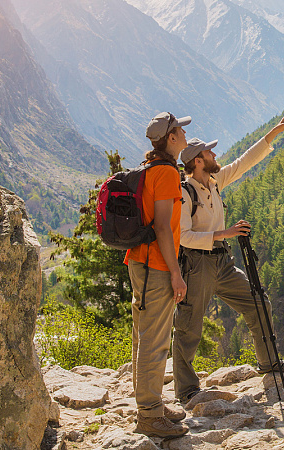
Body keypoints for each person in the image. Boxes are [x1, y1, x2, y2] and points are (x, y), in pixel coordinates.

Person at [173, 109, 284, 402]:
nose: (216, 155)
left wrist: (275, 132)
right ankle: (187, 390)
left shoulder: (214, 183)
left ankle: (269, 364)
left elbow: (244, 162)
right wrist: (223, 234)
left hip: (221, 262)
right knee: (189, 325)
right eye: (210, 152)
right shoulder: (184, 193)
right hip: (197, 263)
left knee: (258, 303)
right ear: (198, 161)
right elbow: (183, 236)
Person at [125, 111, 191, 438]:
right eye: (180, 129)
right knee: (155, 339)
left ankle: (150, 403)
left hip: (139, 260)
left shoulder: (150, 167)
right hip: (157, 265)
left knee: (143, 334)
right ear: (171, 138)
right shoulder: (165, 173)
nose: (184, 133)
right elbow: (163, 226)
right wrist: (176, 273)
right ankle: (149, 415)